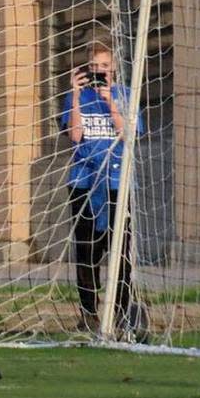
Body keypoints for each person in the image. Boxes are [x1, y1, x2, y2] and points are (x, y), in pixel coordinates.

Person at [60, 39, 144, 334]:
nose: (99, 72)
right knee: (87, 251)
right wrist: (74, 93)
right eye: (94, 67)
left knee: (120, 251)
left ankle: (122, 313)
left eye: (105, 67)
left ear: (114, 69)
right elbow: (74, 135)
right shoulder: (77, 98)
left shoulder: (125, 95)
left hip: (116, 183)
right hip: (83, 182)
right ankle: (88, 313)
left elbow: (129, 134)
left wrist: (109, 101)